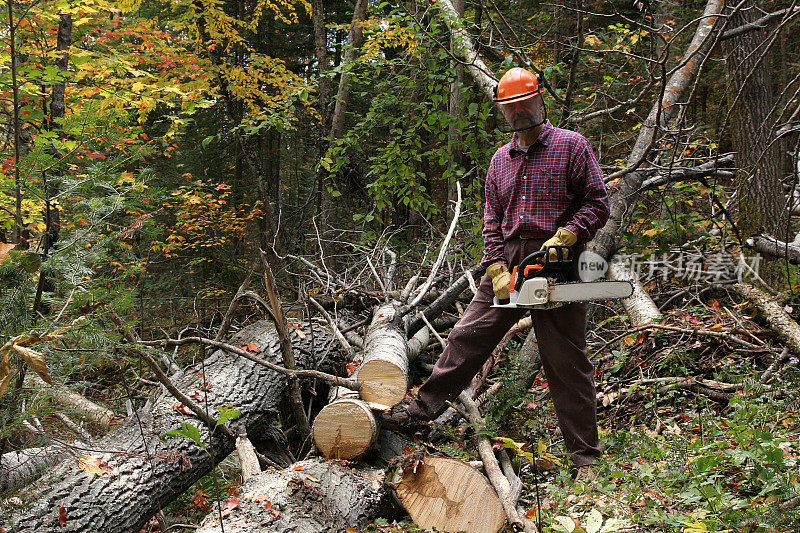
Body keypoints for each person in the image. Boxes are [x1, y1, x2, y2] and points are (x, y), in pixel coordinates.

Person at [386, 67, 610, 482]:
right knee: (466, 335)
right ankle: (418, 412)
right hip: (508, 260)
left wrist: (568, 234)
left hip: (561, 262)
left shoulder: (571, 146)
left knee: (565, 362)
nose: (519, 112)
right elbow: (492, 218)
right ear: (502, 111)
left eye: (525, 103)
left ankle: (586, 461)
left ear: (541, 99)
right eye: (511, 107)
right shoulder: (499, 160)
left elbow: (598, 202)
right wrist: (494, 263)